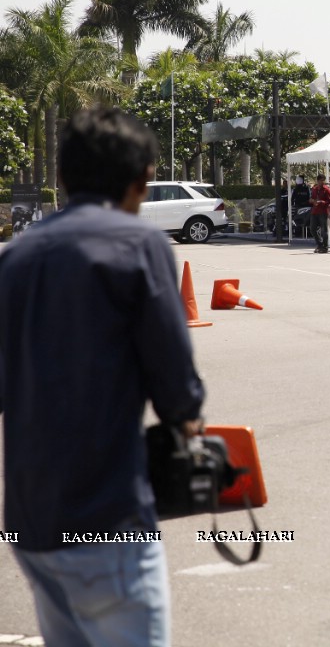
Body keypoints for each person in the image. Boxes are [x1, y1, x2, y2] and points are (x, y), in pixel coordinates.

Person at [0, 106, 205, 646]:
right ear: (142, 179)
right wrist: (190, 426)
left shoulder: (14, 258)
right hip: (105, 517)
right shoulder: (138, 245)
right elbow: (176, 383)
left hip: (28, 519)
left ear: (63, 178)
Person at [309, 174, 330, 253]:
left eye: (323, 180)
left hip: (323, 211)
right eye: (321, 180)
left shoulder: (326, 189)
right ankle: (320, 244)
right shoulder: (314, 189)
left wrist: (321, 202)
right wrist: (312, 201)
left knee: (323, 230)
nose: (322, 182)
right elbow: (311, 198)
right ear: (318, 181)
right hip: (315, 211)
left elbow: (329, 201)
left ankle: (325, 247)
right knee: (312, 229)